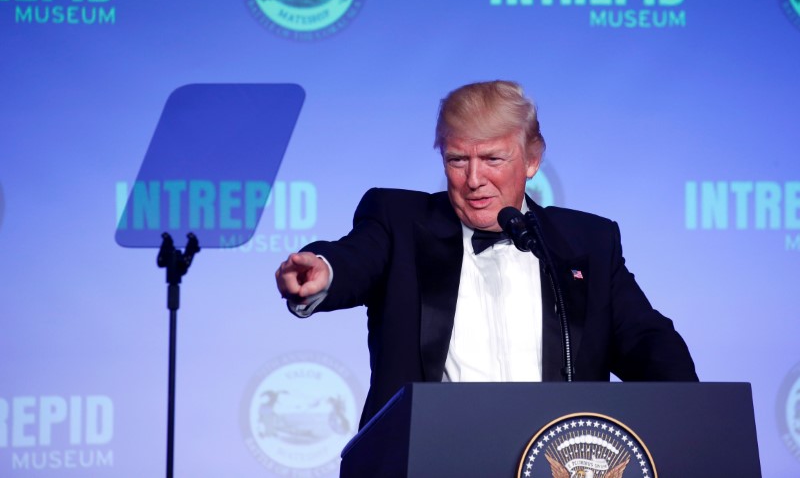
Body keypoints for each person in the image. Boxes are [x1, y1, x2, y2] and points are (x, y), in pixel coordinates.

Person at [275, 80, 697, 428]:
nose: (474, 179)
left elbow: (646, 340)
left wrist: (695, 415)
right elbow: (354, 258)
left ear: (532, 160)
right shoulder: (399, 221)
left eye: (493, 158)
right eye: (458, 159)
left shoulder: (588, 241)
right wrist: (323, 271)